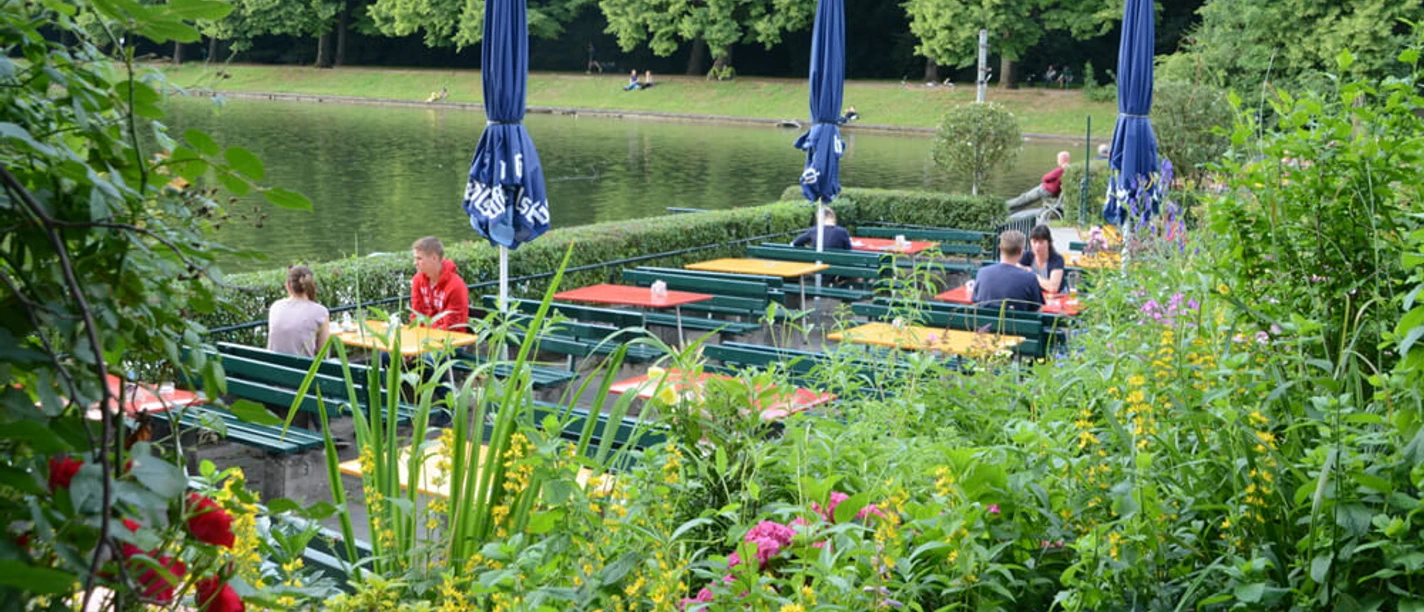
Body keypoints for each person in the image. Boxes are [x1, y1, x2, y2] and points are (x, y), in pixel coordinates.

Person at [972, 230, 1044, 312]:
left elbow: (975, 301)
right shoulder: (1030, 278)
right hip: (1017, 324)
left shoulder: (982, 273)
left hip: (985, 324)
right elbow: (1038, 309)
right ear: (1021, 251)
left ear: (1000, 248)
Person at [267, 265, 330, 357]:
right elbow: (324, 354)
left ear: (288, 286)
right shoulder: (321, 312)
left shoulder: (275, 307)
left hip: (272, 368)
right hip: (303, 370)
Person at [410, 236, 469, 331]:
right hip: (423, 336)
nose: (415, 263)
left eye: (419, 259)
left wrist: (425, 330)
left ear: (434, 258)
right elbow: (415, 315)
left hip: (451, 342)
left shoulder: (456, 286)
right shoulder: (417, 280)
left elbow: (452, 325)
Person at [1019, 224, 1067, 293]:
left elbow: (1053, 288)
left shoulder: (1057, 259)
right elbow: (1013, 267)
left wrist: (1032, 274)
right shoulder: (1026, 256)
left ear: (1049, 243)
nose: (1037, 246)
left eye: (1041, 242)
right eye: (1034, 242)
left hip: (1056, 298)